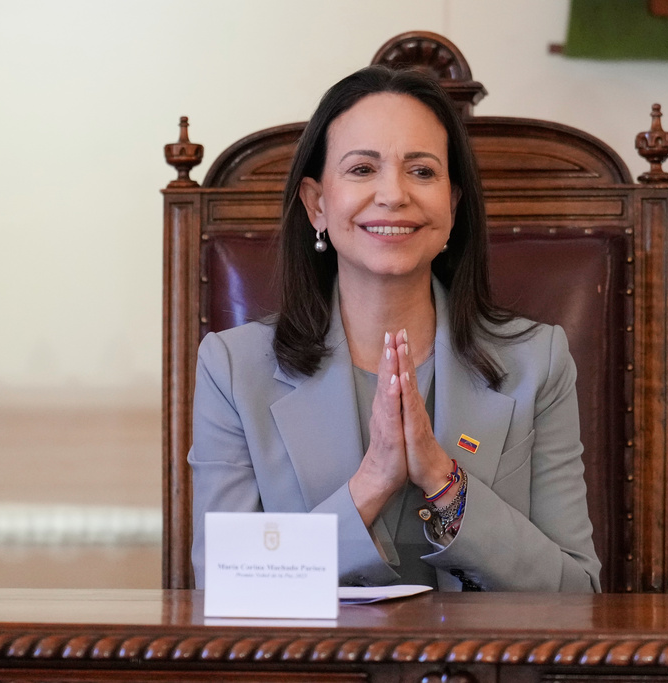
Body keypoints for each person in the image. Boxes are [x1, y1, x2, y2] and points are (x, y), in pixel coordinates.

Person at [188, 65, 601, 592]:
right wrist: (372, 483)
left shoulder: (535, 363)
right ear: (317, 204)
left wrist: (442, 480)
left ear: (452, 205)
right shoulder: (233, 369)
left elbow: (577, 593)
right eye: (362, 169)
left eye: (422, 172)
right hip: (313, 673)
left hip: (484, 671)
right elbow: (224, 588)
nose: (393, 194)